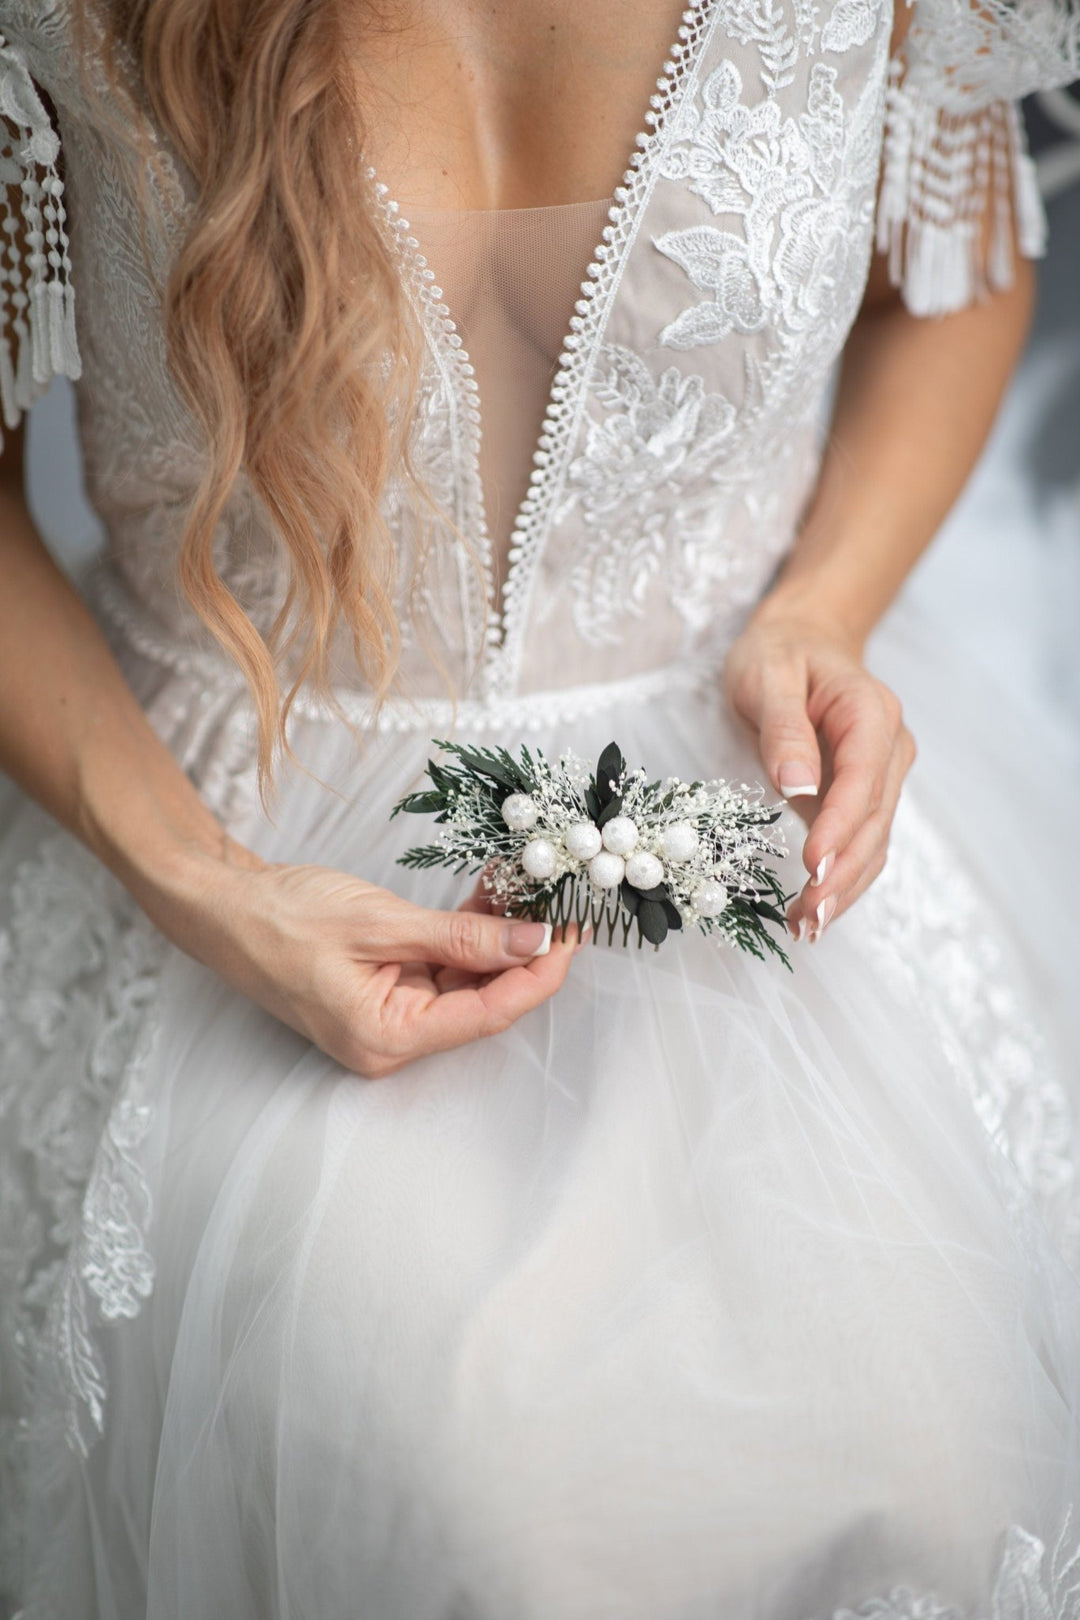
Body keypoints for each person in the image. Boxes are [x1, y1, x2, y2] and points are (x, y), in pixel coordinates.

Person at [2, 0, 1080, 1614]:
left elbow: (954, 265)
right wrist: (207, 883)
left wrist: (824, 610)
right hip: (223, 869)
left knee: (941, 1463)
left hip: (756, 836)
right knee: (479, 1503)